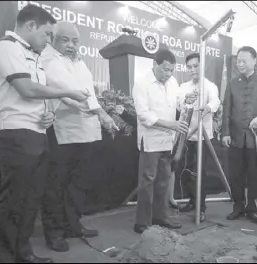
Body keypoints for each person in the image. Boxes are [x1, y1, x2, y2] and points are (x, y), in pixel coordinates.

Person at [0, 5, 89, 263]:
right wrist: (66, 92)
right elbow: (26, 89)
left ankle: (23, 253)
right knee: (13, 200)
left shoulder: (33, 55)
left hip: (36, 132)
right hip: (13, 133)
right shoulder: (6, 47)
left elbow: (38, 96)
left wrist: (49, 113)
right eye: (47, 34)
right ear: (30, 26)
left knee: (30, 199)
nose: (49, 41)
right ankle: (3, 257)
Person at [39, 22, 118, 252]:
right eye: (65, 40)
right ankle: (53, 232)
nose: (71, 45)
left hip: (86, 131)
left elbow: (89, 91)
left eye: (75, 41)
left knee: (78, 184)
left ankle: (72, 224)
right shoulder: (48, 59)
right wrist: (102, 113)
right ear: (53, 39)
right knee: (56, 185)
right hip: (62, 132)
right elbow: (70, 90)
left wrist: (99, 114)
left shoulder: (81, 62)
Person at [132, 49, 195, 234]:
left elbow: (178, 102)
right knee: (147, 181)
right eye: (165, 70)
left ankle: (160, 217)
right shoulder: (141, 84)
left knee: (163, 181)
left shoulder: (173, 82)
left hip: (168, 140)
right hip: (150, 140)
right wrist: (171, 125)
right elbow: (144, 115)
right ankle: (142, 222)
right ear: (155, 65)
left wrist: (186, 99)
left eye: (171, 70)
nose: (169, 74)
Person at [221, 46, 257, 223]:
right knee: (235, 174)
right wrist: (225, 133)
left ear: (254, 61)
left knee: (255, 174)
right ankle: (238, 206)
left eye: (244, 60)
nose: (240, 64)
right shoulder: (232, 83)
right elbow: (227, 110)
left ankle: (253, 208)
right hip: (236, 137)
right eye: (238, 60)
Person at [177, 53, 221, 222]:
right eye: (189, 67)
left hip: (203, 138)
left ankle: (201, 208)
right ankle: (192, 201)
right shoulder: (184, 86)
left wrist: (207, 108)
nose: (192, 70)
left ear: (202, 66)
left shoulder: (210, 86)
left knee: (200, 173)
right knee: (186, 171)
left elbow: (216, 102)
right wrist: (186, 100)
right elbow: (179, 104)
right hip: (187, 135)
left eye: (195, 66)